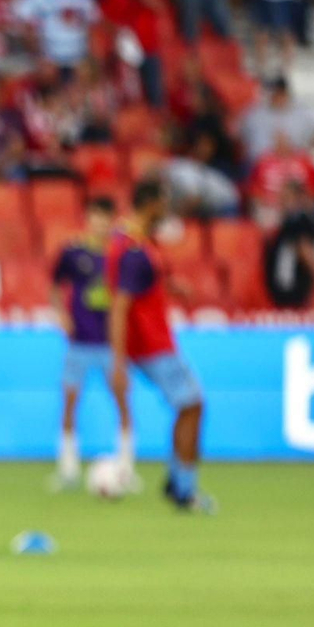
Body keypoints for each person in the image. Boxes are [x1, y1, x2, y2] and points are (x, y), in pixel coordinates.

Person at [107, 176, 213, 511]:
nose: (167, 209)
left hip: (151, 341)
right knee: (192, 405)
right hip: (151, 344)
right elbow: (120, 305)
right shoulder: (135, 251)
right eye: (164, 202)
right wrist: (118, 362)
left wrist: (168, 285)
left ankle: (179, 482)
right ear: (151, 203)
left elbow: (139, 287)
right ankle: (182, 488)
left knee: (190, 405)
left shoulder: (131, 240)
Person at [47, 196, 133, 490]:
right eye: (95, 217)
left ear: (112, 221)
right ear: (88, 219)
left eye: (105, 218)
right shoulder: (72, 252)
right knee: (70, 402)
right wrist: (61, 315)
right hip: (80, 341)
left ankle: (126, 466)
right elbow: (55, 286)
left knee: (122, 402)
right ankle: (68, 467)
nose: (100, 223)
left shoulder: (121, 255)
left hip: (112, 344)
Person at [264, 179, 314, 308]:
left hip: (292, 291)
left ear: (298, 198)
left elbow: (304, 248)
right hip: (283, 291)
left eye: (286, 197)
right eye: (281, 197)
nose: (282, 201)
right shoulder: (287, 221)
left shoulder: (299, 220)